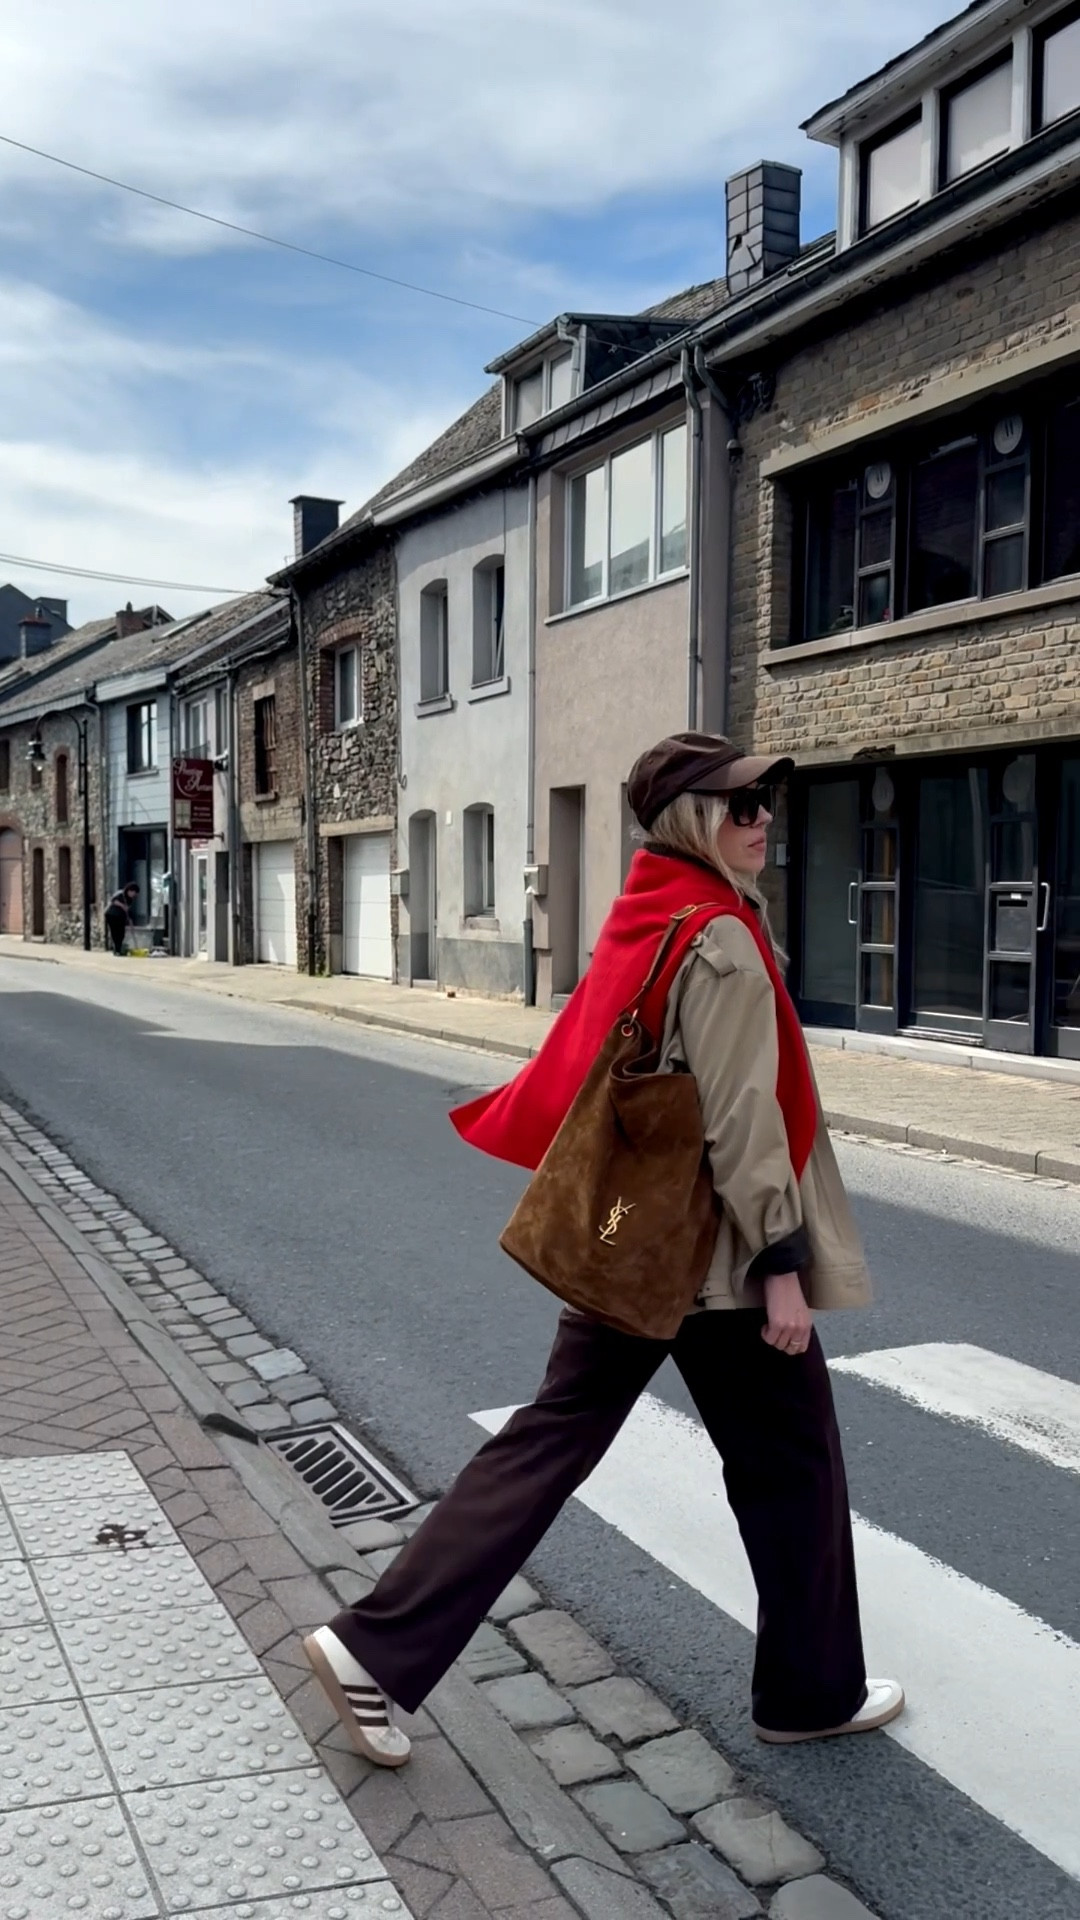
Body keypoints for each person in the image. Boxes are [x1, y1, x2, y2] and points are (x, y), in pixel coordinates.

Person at [305, 731, 904, 1767]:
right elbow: (743, 1121)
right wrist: (782, 1270)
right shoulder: (716, 937)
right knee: (796, 1469)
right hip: (713, 1266)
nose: (763, 822)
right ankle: (809, 1694)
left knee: (543, 1445)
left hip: (634, 1249)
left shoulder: (650, 912)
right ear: (690, 818)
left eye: (767, 803)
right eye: (740, 805)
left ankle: (372, 1649)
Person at [104, 883, 139, 955]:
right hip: (112, 915)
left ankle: (118, 949)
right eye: (133, 893)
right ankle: (117, 950)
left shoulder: (130, 900)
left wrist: (130, 922)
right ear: (130, 890)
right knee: (115, 932)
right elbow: (113, 901)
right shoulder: (120, 893)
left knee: (121, 933)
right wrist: (122, 906)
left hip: (120, 916)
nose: (133, 895)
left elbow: (127, 911)